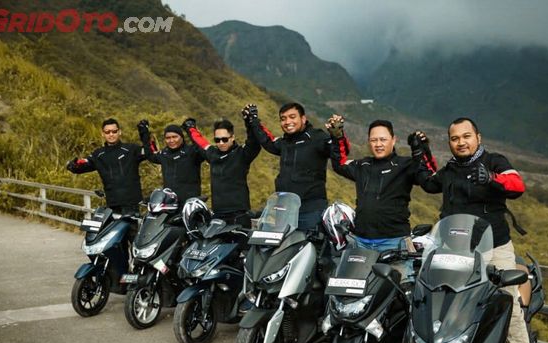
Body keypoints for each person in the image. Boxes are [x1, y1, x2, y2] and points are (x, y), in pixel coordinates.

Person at [418, 116, 535, 343]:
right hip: (457, 250)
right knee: (446, 300)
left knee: (507, 302)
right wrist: (421, 153)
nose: (461, 142)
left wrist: (492, 180)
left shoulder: (495, 161)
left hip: (494, 248)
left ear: (478, 137)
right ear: (450, 142)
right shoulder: (449, 170)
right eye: (455, 138)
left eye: (466, 136)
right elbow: (428, 183)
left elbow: (517, 185)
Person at [330, 118, 437, 255]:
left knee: (400, 277)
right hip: (361, 241)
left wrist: (421, 149)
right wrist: (337, 137)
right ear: (369, 141)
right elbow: (339, 164)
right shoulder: (362, 166)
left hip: (395, 242)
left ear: (393, 140)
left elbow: (429, 175)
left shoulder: (406, 165)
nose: (378, 144)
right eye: (374, 140)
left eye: (383, 139)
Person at [244, 102, 349, 231]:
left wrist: (337, 136)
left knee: (311, 247)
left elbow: (338, 153)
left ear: (303, 119)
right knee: (281, 249)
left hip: (311, 210)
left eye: (292, 117)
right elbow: (267, 141)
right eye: (283, 119)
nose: (288, 122)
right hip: (283, 208)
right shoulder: (285, 142)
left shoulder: (316, 137)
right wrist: (253, 121)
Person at [181, 115, 261, 228]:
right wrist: (190, 128)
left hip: (239, 215)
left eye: (225, 139)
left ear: (232, 137)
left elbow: (254, 143)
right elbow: (200, 142)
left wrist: (250, 121)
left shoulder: (242, 154)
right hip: (218, 215)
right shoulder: (212, 154)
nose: (221, 143)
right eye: (217, 140)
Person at [66, 118, 145, 216]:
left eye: (114, 131)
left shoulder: (131, 149)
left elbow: (151, 153)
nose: (111, 134)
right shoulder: (98, 154)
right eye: (107, 132)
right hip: (112, 204)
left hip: (131, 204)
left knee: (132, 231)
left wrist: (144, 134)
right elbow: (83, 166)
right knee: (109, 231)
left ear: (119, 132)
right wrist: (73, 166)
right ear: (103, 134)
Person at [137, 121, 205, 205]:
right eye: (168, 138)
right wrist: (144, 132)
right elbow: (150, 154)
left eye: (175, 137)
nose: (171, 140)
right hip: (170, 203)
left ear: (182, 137)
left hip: (190, 203)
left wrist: (190, 129)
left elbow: (202, 147)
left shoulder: (192, 152)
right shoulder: (164, 154)